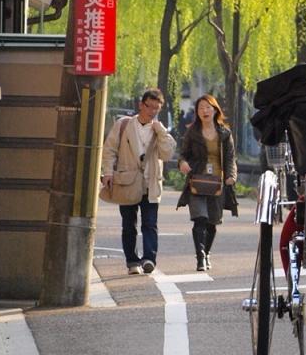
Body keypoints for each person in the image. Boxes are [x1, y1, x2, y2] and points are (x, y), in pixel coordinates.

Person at [101, 88, 176, 275]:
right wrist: (108, 172)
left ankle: (149, 259)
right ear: (141, 105)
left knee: (150, 223)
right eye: (149, 107)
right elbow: (109, 150)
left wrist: (161, 132)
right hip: (128, 181)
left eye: (156, 108)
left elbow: (167, 154)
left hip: (151, 183)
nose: (152, 111)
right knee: (129, 224)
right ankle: (132, 261)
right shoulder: (124, 125)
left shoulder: (158, 130)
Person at [176, 93, 238, 271]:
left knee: (212, 222)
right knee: (200, 219)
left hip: (217, 183)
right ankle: (200, 257)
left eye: (208, 107)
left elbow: (230, 157)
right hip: (197, 181)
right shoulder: (192, 132)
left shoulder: (225, 133)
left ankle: (207, 252)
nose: (205, 111)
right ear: (197, 112)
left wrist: (231, 176)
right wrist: (182, 163)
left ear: (215, 110)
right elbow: (183, 154)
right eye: (201, 108)